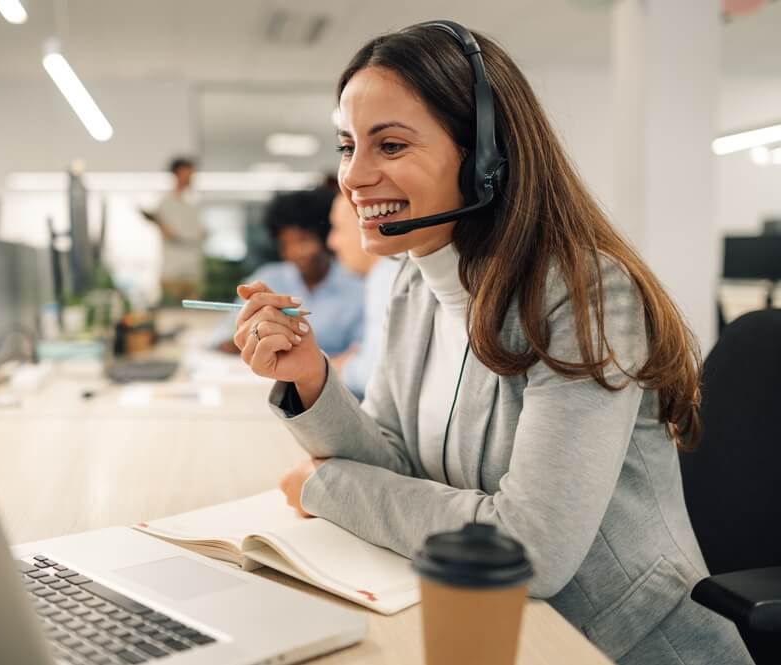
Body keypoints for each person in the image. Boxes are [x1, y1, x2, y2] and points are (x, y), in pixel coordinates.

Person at [230, 22, 753, 665]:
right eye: (347, 146)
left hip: (617, 645)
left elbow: (527, 551)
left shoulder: (586, 296)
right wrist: (311, 379)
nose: (354, 176)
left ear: (485, 157)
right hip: (489, 627)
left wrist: (324, 487)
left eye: (389, 145)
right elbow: (394, 463)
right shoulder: (411, 287)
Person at [212, 186, 364, 358]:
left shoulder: (356, 287)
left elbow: (363, 354)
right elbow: (222, 338)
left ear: (325, 238)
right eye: (287, 243)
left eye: (304, 240)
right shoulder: (267, 279)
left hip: (330, 381)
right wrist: (250, 334)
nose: (296, 252)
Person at [326, 194, 398, 399]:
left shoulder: (388, 275)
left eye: (337, 228)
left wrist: (332, 369)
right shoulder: (386, 273)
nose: (332, 242)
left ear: (368, 225)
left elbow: (375, 375)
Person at [150, 157, 205, 302]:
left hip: (192, 271)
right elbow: (166, 232)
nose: (191, 177)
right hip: (172, 272)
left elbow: (200, 234)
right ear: (178, 173)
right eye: (188, 172)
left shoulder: (193, 204)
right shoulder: (165, 203)